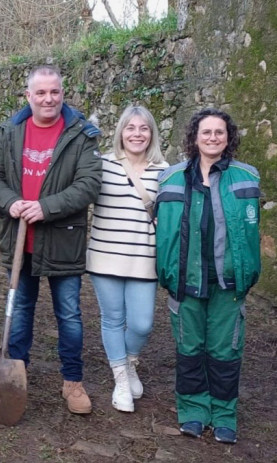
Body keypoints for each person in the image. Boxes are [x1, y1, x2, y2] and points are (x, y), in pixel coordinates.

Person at [0, 65, 102, 414]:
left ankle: (73, 382)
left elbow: (89, 184)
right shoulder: (12, 131)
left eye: (55, 92)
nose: (49, 98)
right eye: (41, 93)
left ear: (62, 94)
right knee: (19, 311)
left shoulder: (81, 135)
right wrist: (10, 202)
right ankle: (15, 373)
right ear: (28, 96)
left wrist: (45, 207)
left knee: (69, 314)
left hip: (63, 240)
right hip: (19, 240)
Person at [156, 108, 261, 444]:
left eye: (220, 132)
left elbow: (250, 233)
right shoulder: (172, 179)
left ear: (228, 137)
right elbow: (165, 234)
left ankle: (224, 414)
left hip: (227, 284)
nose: (213, 137)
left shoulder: (247, 177)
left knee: (225, 351)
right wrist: (168, 272)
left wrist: (248, 273)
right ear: (195, 137)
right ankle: (193, 411)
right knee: (190, 349)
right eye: (206, 132)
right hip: (186, 282)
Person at [86, 105, 168, 413]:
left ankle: (130, 363)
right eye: (130, 128)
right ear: (121, 132)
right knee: (113, 318)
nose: (137, 134)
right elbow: (79, 191)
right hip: (105, 255)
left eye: (143, 128)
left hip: (144, 257)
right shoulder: (102, 165)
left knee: (142, 323)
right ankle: (121, 380)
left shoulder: (164, 170)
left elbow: (170, 215)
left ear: (151, 134)